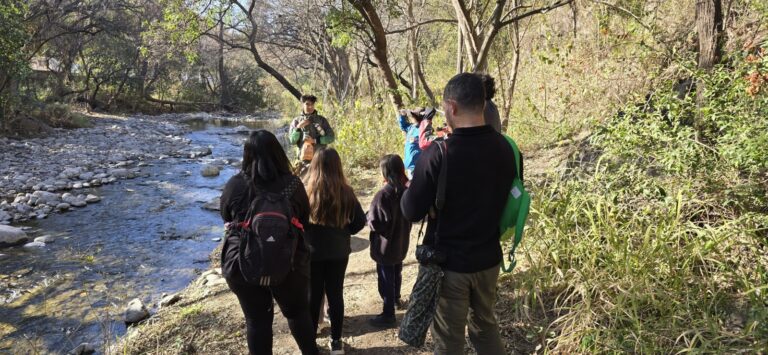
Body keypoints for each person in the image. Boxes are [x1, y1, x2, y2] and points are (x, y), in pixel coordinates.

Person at [401, 73, 517, 355]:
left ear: (451, 107)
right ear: (482, 104)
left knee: (448, 340)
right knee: (485, 327)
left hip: (450, 266)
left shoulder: (439, 153)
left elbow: (410, 210)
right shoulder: (505, 147)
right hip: (489, 260)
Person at [219, 130, 318, 355]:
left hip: (243, 262)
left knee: (257, 320)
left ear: (247, 155)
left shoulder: (235, 185)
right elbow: (304, 220)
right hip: (289, 261)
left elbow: (225, 217)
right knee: (297, 313)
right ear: (278, 153)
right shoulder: (293, 184)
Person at [303, 148, 366, 355]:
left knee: (313, 295)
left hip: (312, 252)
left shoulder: (307, 191)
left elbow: (297, 222)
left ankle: (311, 340)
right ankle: (336, 342)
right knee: (335, 294)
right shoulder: (346, 191)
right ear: (338, 166)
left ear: (314, 166)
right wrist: (345, 231)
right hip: (339, 252)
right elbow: (360, 222)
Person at [367, 154, 412, 328]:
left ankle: (388, 314)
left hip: (385, 247)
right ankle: (395, 299)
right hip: (401, 243)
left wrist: (367, 218)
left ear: (385, 172)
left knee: (386, 278)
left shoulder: (383, 195)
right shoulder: (407, 191)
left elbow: (375, 223)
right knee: (397, 272)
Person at [289, 95, 335, 168]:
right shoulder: (296, 121)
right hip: (303, 161)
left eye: (312, 104)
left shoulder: (322, 120)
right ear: (302, 104)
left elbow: (331, 137)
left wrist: (315, 140)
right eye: (307, 104)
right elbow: (292, 141)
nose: (310, 107)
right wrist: (298, 127)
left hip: (320, 159)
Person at [397, 107, 425, 179]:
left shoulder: (423, 129)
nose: (411, 117)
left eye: (413, 116)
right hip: (410, 165)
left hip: (417, 165)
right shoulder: (411, 127)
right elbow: (403, 126)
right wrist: (402, 115)